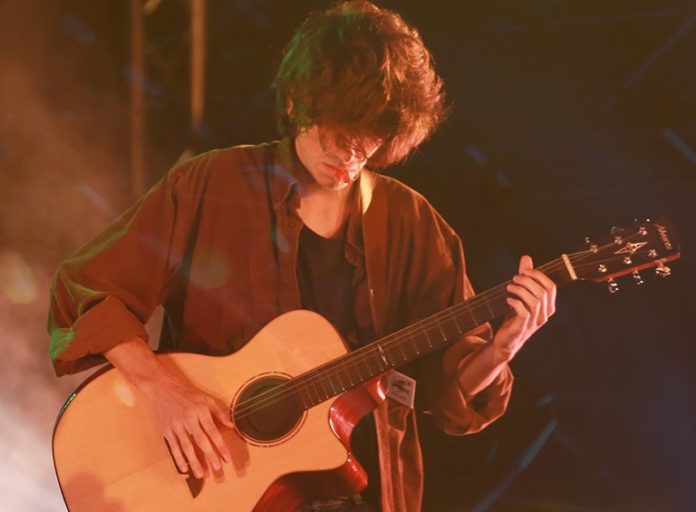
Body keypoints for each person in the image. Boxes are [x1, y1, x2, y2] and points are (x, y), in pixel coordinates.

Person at [48, 1, 556, 511]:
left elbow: (451, 399)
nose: (352, 156)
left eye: (373, 138)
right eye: (340, 132)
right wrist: (166, 392)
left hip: (363, 495)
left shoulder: (414, 224)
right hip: (220, 486)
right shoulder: (211, 184)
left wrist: (501, 349)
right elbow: (88, 289)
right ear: (296, 102)